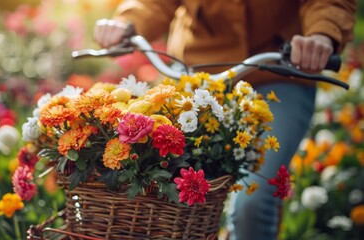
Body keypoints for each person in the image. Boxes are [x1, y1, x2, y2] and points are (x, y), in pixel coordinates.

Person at [92, 1, 357, 239]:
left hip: (279, 72)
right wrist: (128, 23)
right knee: (162, 183)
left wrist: (321, 35)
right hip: (197, 73)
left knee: (254, 201)